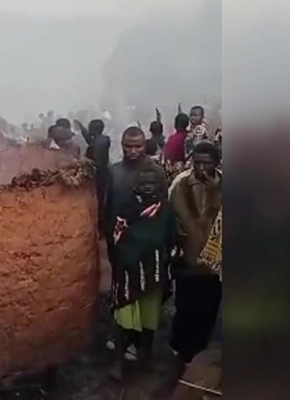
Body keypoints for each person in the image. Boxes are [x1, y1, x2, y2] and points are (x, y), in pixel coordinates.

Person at [157, 141, 222, 396]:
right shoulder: (180, 184)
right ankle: (181, 352)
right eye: (197, 162)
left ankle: (197, 351)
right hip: (185, 260)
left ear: (217, 162)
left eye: (207, 162)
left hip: (215, 264)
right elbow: (167, 218)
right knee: (185, 306)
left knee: (209, 307)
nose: (201, 167)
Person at [103, 127, 168, 379]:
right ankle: (120, 356)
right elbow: (107, 209)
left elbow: (163, 208)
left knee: (148, 303)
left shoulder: (157, 171)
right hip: (123, 248)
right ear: (121, 145)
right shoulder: (114, 172)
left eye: (138, 146)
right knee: (124, 302)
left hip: (151, 250)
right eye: (128, 146)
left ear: (145, 145)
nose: (133, 151)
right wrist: (112, 245)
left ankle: (144, 354)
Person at [75, 119, 111, 233]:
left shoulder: (94, 145)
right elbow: (89, 140)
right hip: (105, 173)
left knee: (97, 201)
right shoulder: (105, 139)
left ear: (93, 129)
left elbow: (94, 158)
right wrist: (82, 128)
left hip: (97, 174)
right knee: (102, 200)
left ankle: (99, 227)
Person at [164, 113, 189, 184]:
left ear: (175, 124)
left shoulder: (172, 139)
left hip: (176, 170)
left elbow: (168, 155)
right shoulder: (190, 136)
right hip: (188, 169)